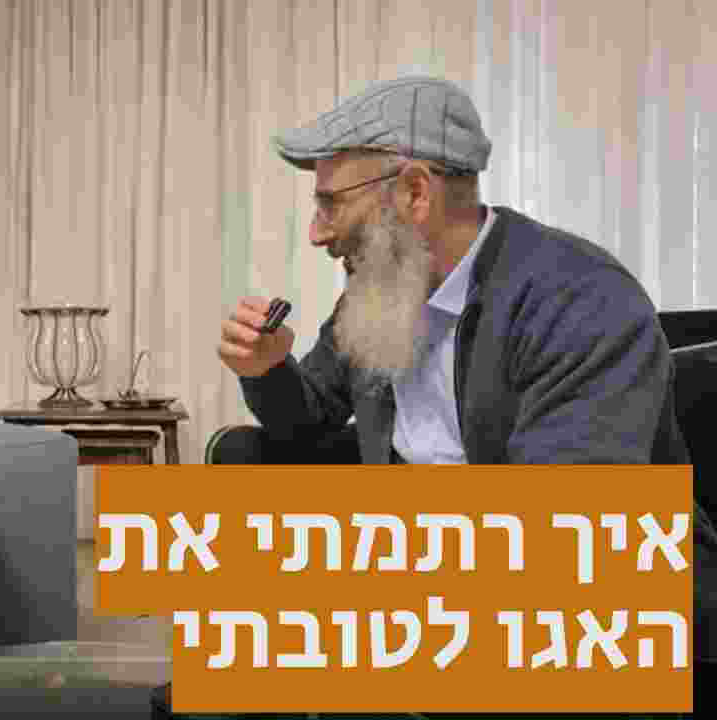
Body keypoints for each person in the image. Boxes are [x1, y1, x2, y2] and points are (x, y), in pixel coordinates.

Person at [153, 75, 717, 717]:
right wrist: (268, 371)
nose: (316, 232)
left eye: (331, 202)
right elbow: (309, 420)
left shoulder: (579, 299)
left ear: (415, 193)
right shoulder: (382, 294)